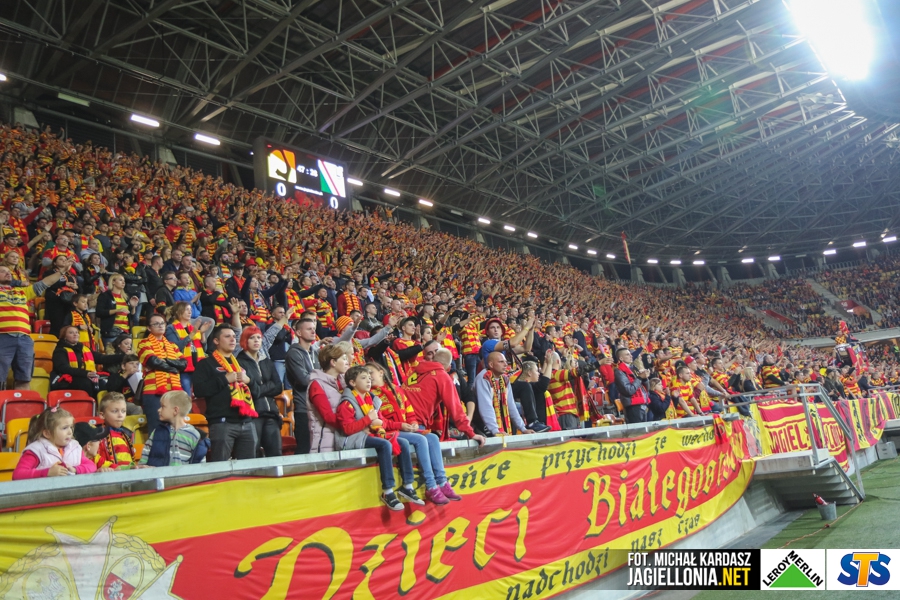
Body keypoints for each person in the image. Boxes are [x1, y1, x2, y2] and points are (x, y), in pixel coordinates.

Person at [367, 362, 461, 504]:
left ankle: (442, 482)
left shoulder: (397, 389)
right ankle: (431, 486)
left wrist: (413, 423)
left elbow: (409, 410)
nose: (369, 377)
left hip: (404, 429)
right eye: (366, 374)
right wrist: (400, 425)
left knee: (433, 437)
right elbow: (380, 421)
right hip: (389, 432)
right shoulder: (371, 395)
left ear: (381, 372)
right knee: (421, 440)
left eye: (371, 372)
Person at [336, 365, 424, 510]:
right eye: (363, 378)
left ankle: (407, 486)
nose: (368, 381)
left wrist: (400, 425)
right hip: (353, 438)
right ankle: (388, 491)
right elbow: (347, 429)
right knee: (385, 444)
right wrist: (368, 420)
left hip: (371, 433)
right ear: (352, 382)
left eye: (369, 378)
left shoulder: (371, 399)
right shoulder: (347, 402)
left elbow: (382, 422)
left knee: (402, 442)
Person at [0, 257, 71, 389]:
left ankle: (22, 402)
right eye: (2, 271)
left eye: (8, 271)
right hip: (2, 337)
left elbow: (45, 283)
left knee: (24, 379)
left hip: (24, 339)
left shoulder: (23, 292)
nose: (7, 273)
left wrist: (62, 271)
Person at [193, 325, 259, 461]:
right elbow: (199, 390)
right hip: (222, 423)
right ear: (216, 341)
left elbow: (257, 392)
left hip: (247, 422)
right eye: (227, 336)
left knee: (249, 468)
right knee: (221, 466)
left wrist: (249, 381)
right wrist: (224, 379)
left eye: (234, 337)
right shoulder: (206, 364)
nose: (233, 339)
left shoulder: (241, 364)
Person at [12, 407, 97, 479]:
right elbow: (18, 475)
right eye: (64, 428)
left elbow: (92, 466)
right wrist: (47, 473)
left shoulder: (75, 447)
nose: (70, 432)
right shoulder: (36, 451)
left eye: (71, 427)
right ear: (47, 433)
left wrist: (75, 469)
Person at [238, 326, 284, 457]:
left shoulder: (267, 361)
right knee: (253, 453)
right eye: (252, 338)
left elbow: (278, 386)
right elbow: (248, 391)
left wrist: (256, 387)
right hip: (253, 415)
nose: (256, 340)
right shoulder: (239, 362)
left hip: (271, 414)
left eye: (258, 337)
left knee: (276, 453)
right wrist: (266, 386)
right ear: (245, 341)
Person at [137, 314, 187, 432]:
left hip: (173, 392)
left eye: (162, 323)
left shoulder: (172, 345)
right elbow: (153, 361)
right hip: (153, 392)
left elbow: (183, 364)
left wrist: (165, 360)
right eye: (156, 324)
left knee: (175, 428)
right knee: (156, 428)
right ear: (149, 328)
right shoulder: (143, 343)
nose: (160, 326)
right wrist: (173, 367)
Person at [306, 341, 354, 454]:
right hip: (325, 444)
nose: (347, 362)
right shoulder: (316, 384)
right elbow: (328, 417)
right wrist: (354, 425)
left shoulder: (344, 384)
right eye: (344, 359)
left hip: (342, 440)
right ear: (333, 362)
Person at [140, 390, 209, 466]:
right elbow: (145, 456)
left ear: (175, 410)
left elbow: (200, 464)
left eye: (163, 407)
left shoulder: (194, 435)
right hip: (157, 474)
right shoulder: (157, 432)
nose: (159, 410)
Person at [284, 317, 320, 454]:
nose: (313, 331)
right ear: (298, 333)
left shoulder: (315, 353)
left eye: (314, 329)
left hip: (318, 407)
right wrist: (321, 377)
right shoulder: (293, 353)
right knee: (305, 449)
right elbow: (304, 380)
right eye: (309, 329)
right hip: (303, 408)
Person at [475, 352, 533, 436]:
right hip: (480, 421)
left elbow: (511, 405)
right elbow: (485, 407)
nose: (505, 364)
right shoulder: (483, 378)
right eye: (501, 362)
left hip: (497, 420)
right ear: (491, 364)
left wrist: (523, 429)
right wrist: (495, 430)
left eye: (506, 361)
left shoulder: (505, 379)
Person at [165, 301, 211, 397]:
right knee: (186, 396)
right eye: (187, 309)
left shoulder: (193, 328)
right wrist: (192, 334)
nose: (190, 312)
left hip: (198, 367)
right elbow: (175, 347)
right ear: (178, 312)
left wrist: (202, 333)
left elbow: (204, 349)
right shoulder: (171, 328)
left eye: (190, 309)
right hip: (183, 368)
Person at [50, 325, 100, 398]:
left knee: (102, 383)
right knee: (86, 383)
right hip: (65, 379)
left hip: (83, 376)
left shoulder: (84, 348)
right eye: (71, 333)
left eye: (77, 332)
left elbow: (101, 358)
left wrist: (118, 357)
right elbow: (64, 368)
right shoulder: (60, 351)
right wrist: (85, 373)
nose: (75, 334)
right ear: (64, 337)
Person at [95, 392, 138, 470]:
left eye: (123, 411)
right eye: (115, 411)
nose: (120, 415)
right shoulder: (98, 437)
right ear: (102, 415)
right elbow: (96, 461)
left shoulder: (127, 435)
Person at [96, 273, 138, 347]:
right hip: (112, 330)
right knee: (111, 353)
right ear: (113, 282)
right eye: (120, 280)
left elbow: (131, 315)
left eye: (124, 281)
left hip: (126, 331)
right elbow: (99, 312)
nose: (123, 282)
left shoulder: (126, 297)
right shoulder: (105, 296)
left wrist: (133, 307)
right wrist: (117, 310)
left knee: (127, 354)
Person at [614, 347, 651, 424]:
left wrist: (645, 378)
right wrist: (640, 378)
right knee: (637, 430)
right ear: (621, 358)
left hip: (642, 403)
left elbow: (647, 389)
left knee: (644, 430)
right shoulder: (619, 371)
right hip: (633, 407)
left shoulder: (634, 368)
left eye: (630, 354)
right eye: (627, 355)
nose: (631, 356)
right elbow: (628, 390)